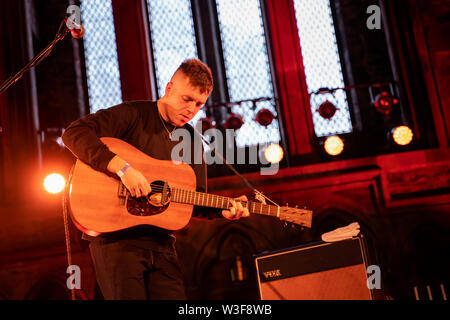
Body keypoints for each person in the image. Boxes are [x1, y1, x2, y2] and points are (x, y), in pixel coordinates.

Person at [61, 58, 250, 300]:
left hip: (162, 245)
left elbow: (193, 199)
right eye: (187, 99)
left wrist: (222, 210)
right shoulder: (133, 114)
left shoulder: (192, 141)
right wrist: (123, 168)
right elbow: (73, 133)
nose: (192, 109)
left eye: (199, 104)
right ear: (169, 88)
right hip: (116, 241)